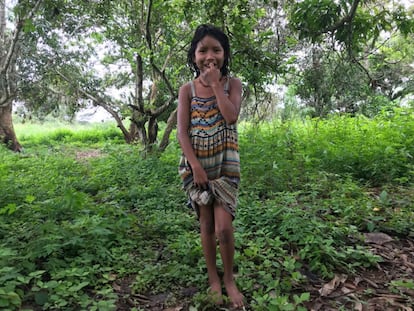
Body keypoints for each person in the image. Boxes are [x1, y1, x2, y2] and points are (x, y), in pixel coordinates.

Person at [177, 24, 244, 309]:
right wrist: (195, 167)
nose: (209, 56)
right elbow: (182, 132)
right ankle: (214, 280)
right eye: (202, 50)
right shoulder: (187, 90)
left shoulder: (234, 84)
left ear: (225, 54)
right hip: (198, 167)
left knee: (224, 228)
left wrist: (217, 84)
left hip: (225, 167)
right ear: (194, 56)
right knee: (206, 225)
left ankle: (229, 278)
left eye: (216, 49)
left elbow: (230, 117)